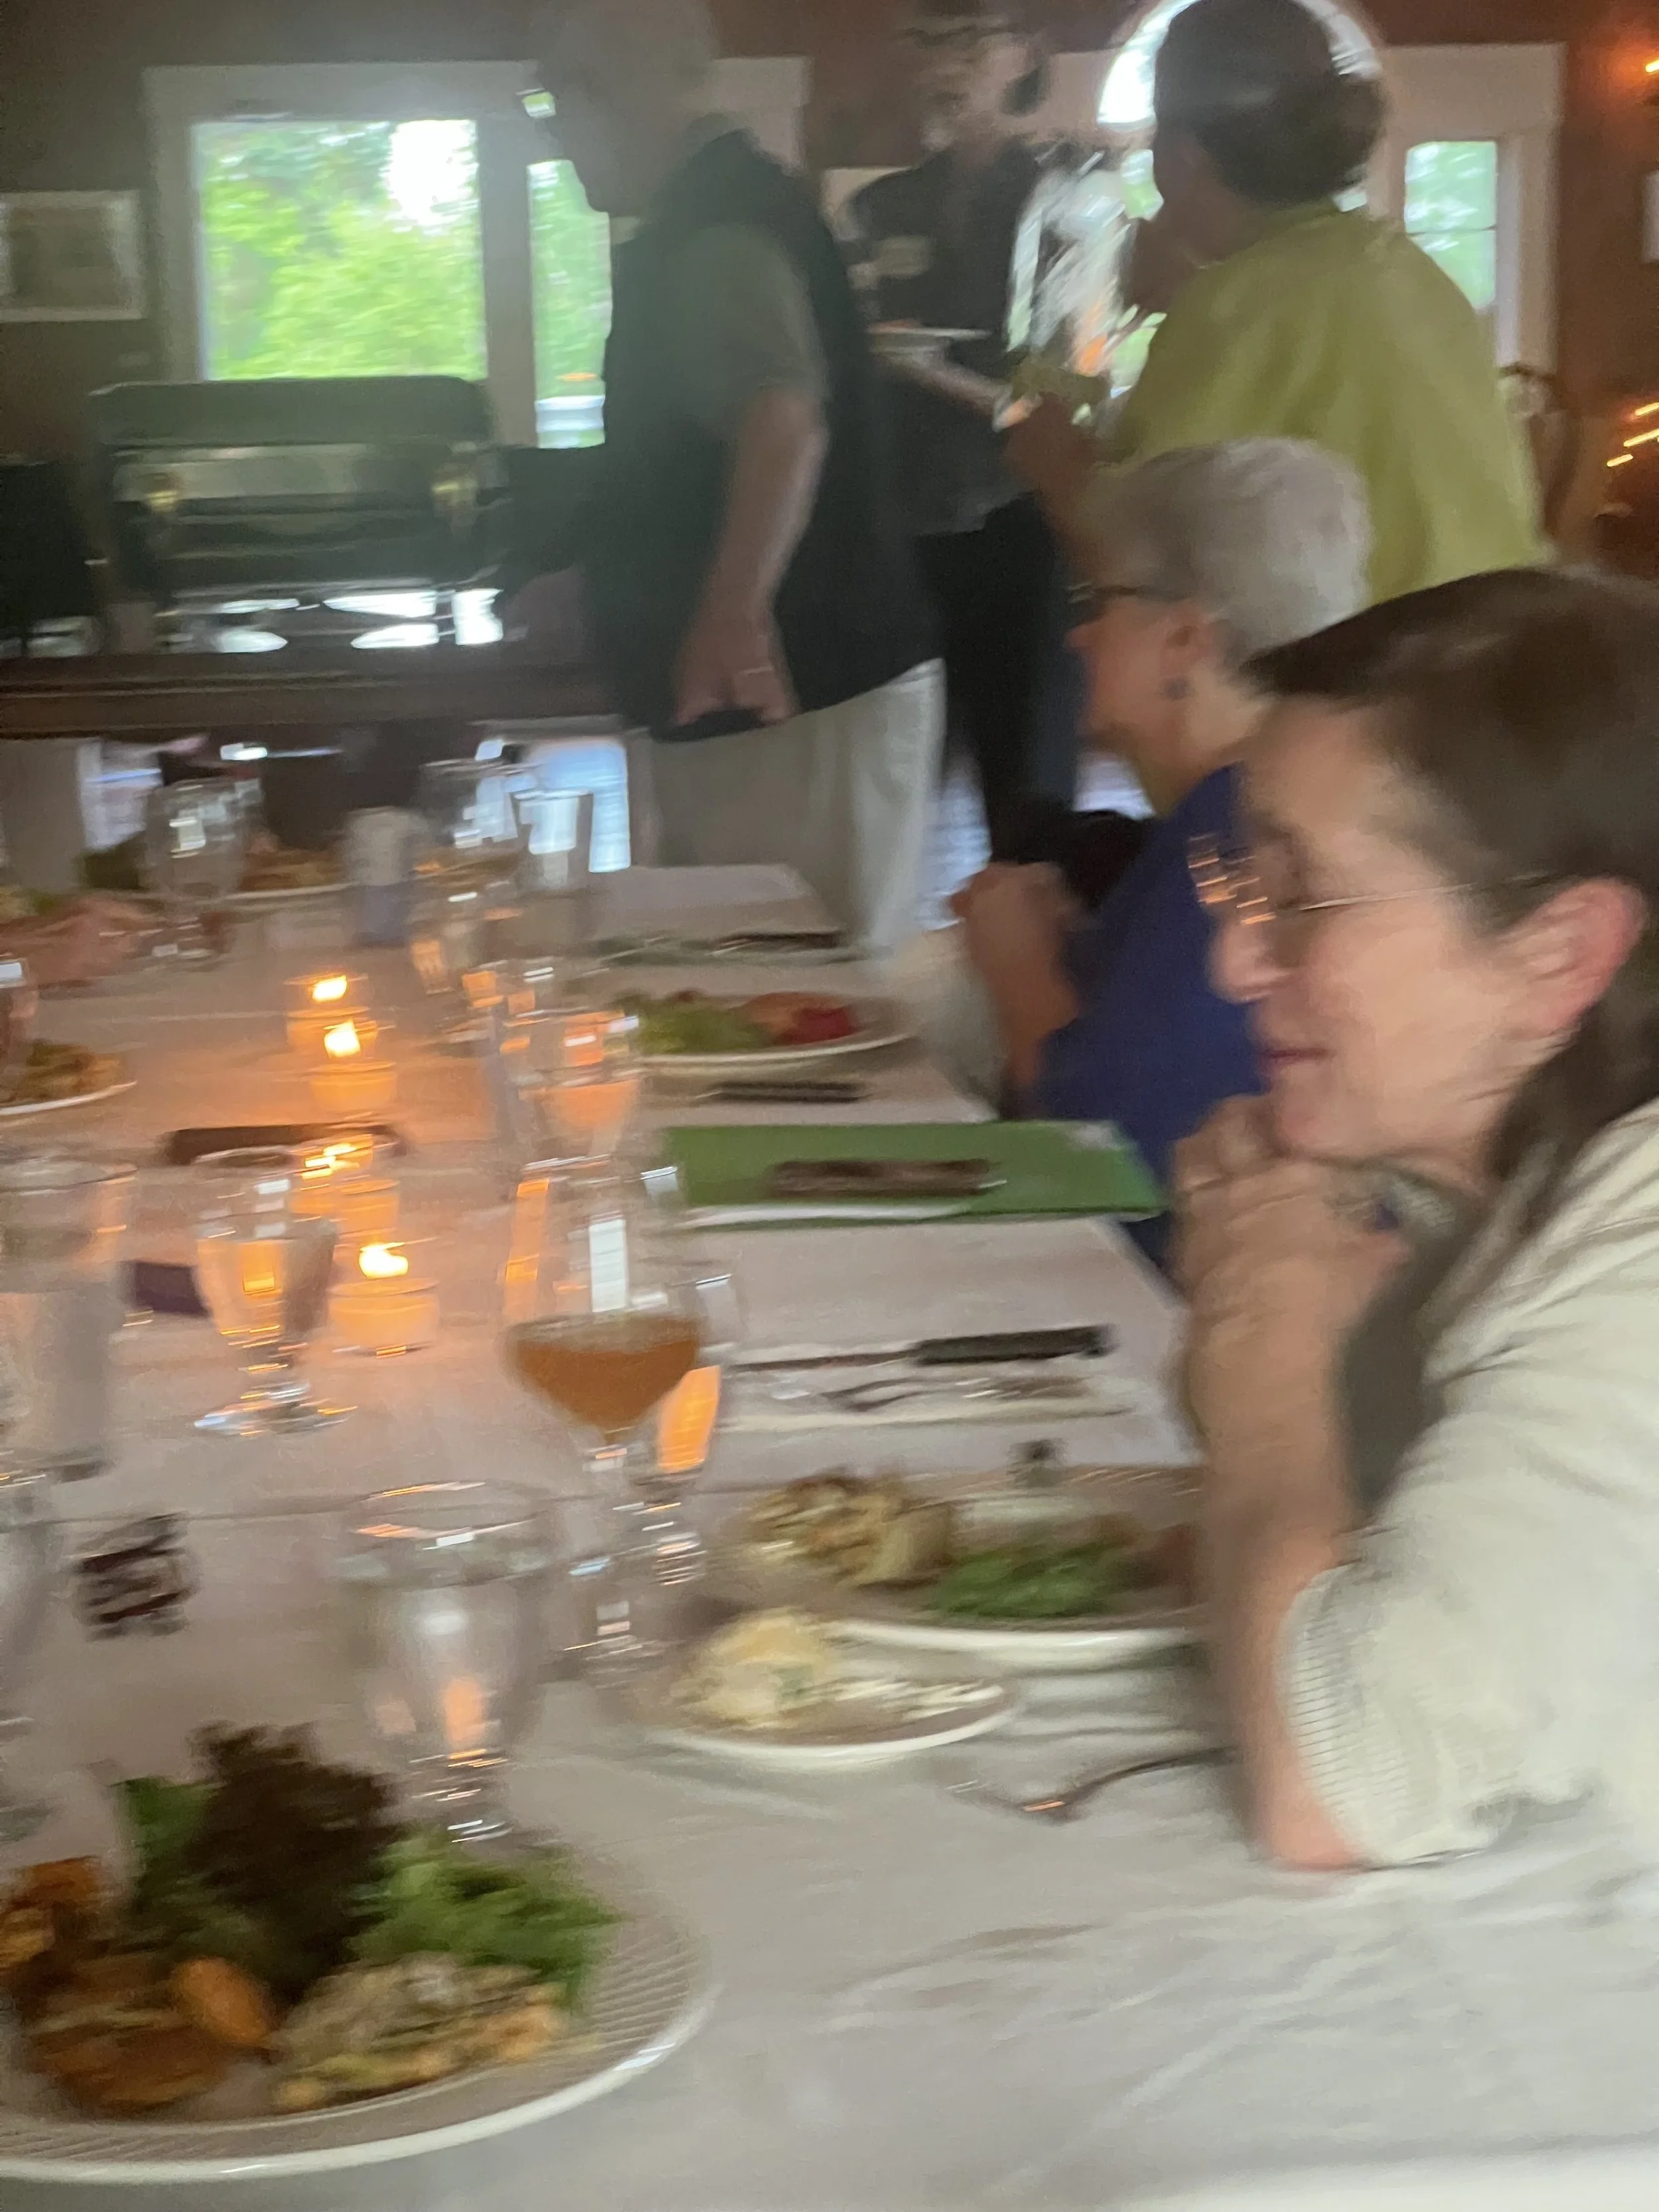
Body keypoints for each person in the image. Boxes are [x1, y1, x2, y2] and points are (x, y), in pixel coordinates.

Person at [1175, 568, 1659, 1870]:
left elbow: (1338, 1785)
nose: (1233, 963)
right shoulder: (1466, 1186)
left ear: (1556, 954)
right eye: (1241, 885)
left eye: (1302, 899)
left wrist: (1266, 1359)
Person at [531, 0, 942, 952]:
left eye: (555, 102)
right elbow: (697, 462)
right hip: (782, 703)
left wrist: (730, 612)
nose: (555, 135)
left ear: (617, 92)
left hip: (789, 702)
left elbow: (782, 421)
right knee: (745, 991)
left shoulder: (714, 233)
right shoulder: (723, 208)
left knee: (793, 1001)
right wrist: (597, 581)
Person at [954, 439, 1370, 1253]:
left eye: (1097, 601)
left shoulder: (1248, 826)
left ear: (1186, 640)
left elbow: (1104, 1151)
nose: (1078, 637)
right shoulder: (1233, 805)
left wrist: (1017, 970)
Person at [1014, 0, 1542, 606]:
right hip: (1504, 647)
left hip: (1385, 671)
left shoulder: (1235, 305)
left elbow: (1137, 562)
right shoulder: (1407, 268)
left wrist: (1050, 458)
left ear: (1183, 158)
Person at [842, 0, 1079, 851]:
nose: (941, 64)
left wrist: (935, 377)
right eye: (924, 41)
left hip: (1022, 525)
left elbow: (1071, 398)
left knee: (1027, 802)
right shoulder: (880, 208)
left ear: (1023, 55)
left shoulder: (1069, 200)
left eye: (967, 41)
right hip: (901, 536)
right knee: (885, 796)